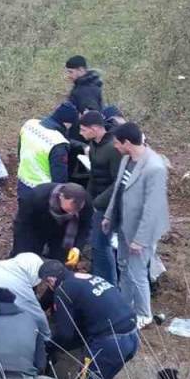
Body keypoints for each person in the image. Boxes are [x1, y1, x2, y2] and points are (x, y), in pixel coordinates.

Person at [38, 263, 139, 379]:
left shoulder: (64, 290)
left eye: (47, 283)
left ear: (51, 280)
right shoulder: (84, 279)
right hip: (131, 336)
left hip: (109, 342)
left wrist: (49, 347)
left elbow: (65, 334)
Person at [103, 122, 169, 329]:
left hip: (141, 231)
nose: (114, 146)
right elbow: (118, 190)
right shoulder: (126, 160)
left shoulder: (154, 167)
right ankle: (125, 305)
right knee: (123, 266)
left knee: (138, 272)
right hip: (123, 225)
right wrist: (108, 216)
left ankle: (143, 314)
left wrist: (141, 239)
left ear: (127, 143)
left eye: (116, 142)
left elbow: (153, 209)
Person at [78, 111, 124, 284]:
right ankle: (101, 278)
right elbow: (94, 176)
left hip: (109, 205)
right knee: (98, 245)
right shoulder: (93, 145)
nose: (80, 133)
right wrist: (87, 198)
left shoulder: (113, 149)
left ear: (96, 129)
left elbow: (118, 182)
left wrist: (98, 202)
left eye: (83, 129)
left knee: (101, 245)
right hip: (97, 202)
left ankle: (109, 283)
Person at [14, 103, 76, 202]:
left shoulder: (29, 124)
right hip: (43, 192)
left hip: (23, 183)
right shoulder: (58, 143)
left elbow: (19, 151)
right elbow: (59, 179)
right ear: (67, 124)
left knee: (23, 214)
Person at [10, 182, 88, 261]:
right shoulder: (36, 197)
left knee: (60, 260)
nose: (72, 213)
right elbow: (23, 226)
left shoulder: (85, 201)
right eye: (69, 209)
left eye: (77, 210)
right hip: (36, 227)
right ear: (61, 196)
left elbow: (84, 226)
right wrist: (21, 250)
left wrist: (77, 247)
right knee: (27, 258)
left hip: (64, 232)